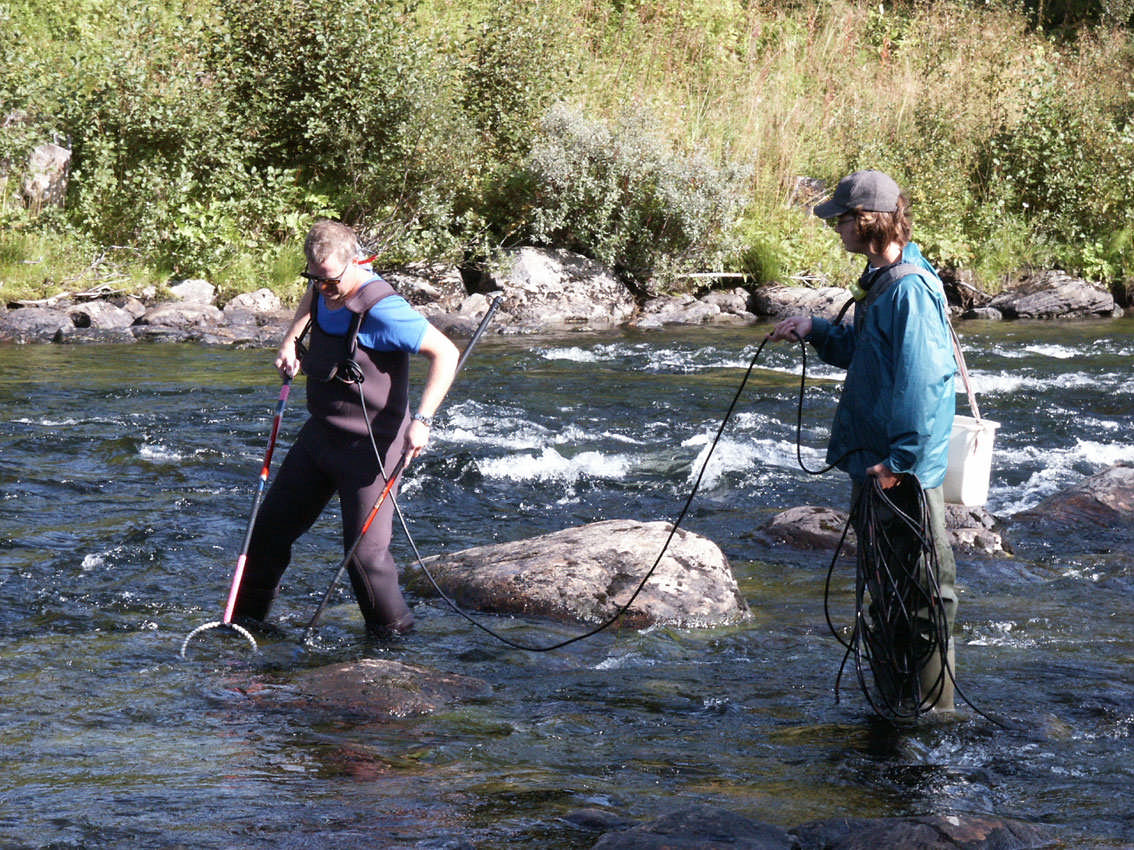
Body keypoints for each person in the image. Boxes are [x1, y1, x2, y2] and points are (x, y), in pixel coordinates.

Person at [768, 170, 958, 715]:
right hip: (875, 468)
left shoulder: (910, 289)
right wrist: (816, 329)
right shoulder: (881, 278)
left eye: (842, 220)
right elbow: (863, 353)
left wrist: (899, 465)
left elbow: (926, 385)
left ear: (868, 221)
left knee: (923, 598)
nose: (836, 229)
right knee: (884, 591)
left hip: (899, 472)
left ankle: (933, 724)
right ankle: (894, 709)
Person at [233, 220, 460, 637]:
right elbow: (312, 297)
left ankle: (395, 643)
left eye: (331, 279)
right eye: (315, 278)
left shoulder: (384, 309)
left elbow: (446, 352)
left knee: (364, 557)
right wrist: (290, 339)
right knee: (265, 535)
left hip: (371, 450)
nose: (323, 288)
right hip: (320, 438)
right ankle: (242, 630)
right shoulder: (323, 287)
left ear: (356, 261)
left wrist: (422, 420)